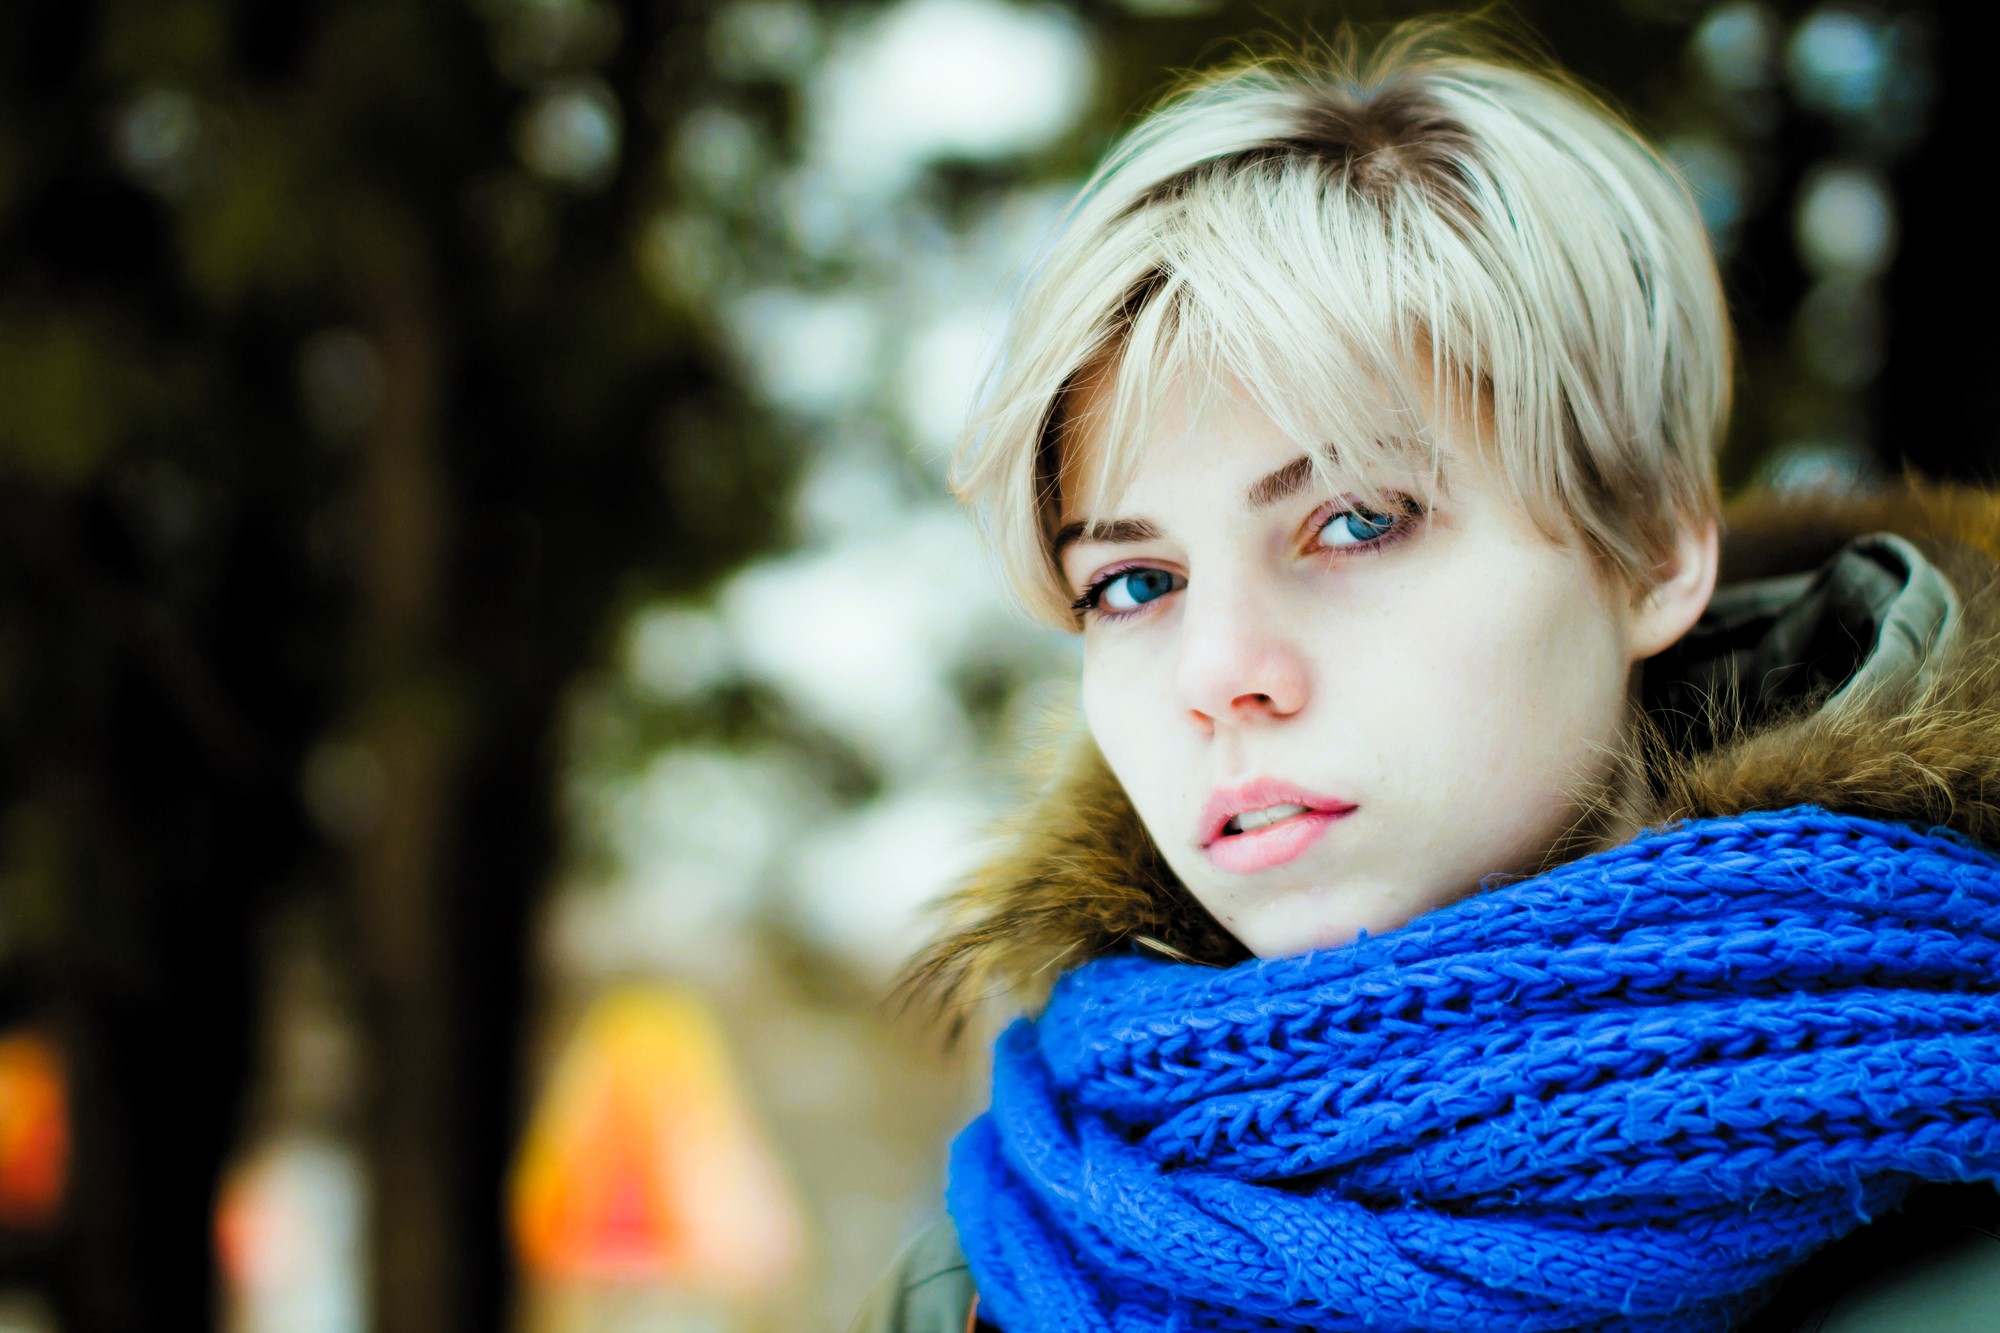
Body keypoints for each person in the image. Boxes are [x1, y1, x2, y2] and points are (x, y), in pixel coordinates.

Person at [852, 20, 2000, 1333]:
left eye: (1351, 522)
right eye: (1134, 583)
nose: (1223, 673)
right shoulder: (987, 1276)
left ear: (1656, 546)